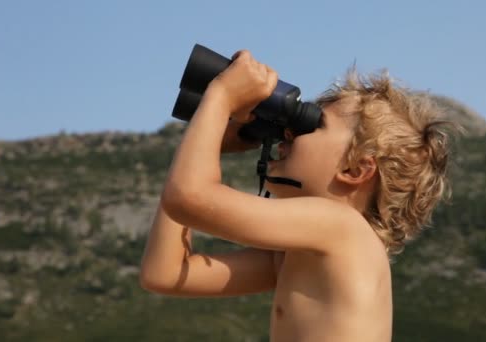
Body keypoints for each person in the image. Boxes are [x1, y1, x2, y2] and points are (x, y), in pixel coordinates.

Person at [139, 50, 458, 341]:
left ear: (355, 169)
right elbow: (165, 273)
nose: (288, 131)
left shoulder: (340, 226)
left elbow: (188, 198)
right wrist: (207, 143)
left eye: (313, 125)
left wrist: (221, 98)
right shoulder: (300, 254)